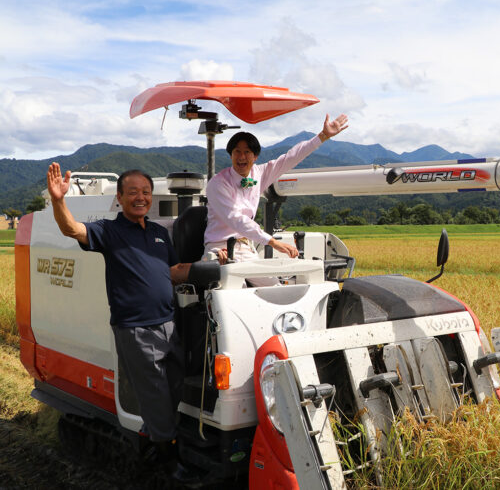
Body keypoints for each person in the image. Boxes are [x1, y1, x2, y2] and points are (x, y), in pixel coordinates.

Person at [46, 163, 196, 482]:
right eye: (132, 193)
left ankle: (150, 440)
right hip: (136, 328)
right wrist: (60, 201)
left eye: (145, 192)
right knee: (155, 394)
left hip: (169, 323)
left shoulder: (157, 234)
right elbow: (73, 229)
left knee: (174, 386)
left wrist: (209, 267)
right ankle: (168, 461)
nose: (140, 198)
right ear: (120, 197)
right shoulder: (109, 231)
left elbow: (172, 271)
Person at [204, 113, 349, 265]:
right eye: (237, 152)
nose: (242, 156)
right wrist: (273, 242)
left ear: (255, 157)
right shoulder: (218, 184)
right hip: (219, 248)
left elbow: (291, 157)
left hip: (246, 247)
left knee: (273, 284)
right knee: (234, 285)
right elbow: (236, 219)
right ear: (230, 155)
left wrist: (322, 136)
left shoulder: (259, 173)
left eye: (247, 152)